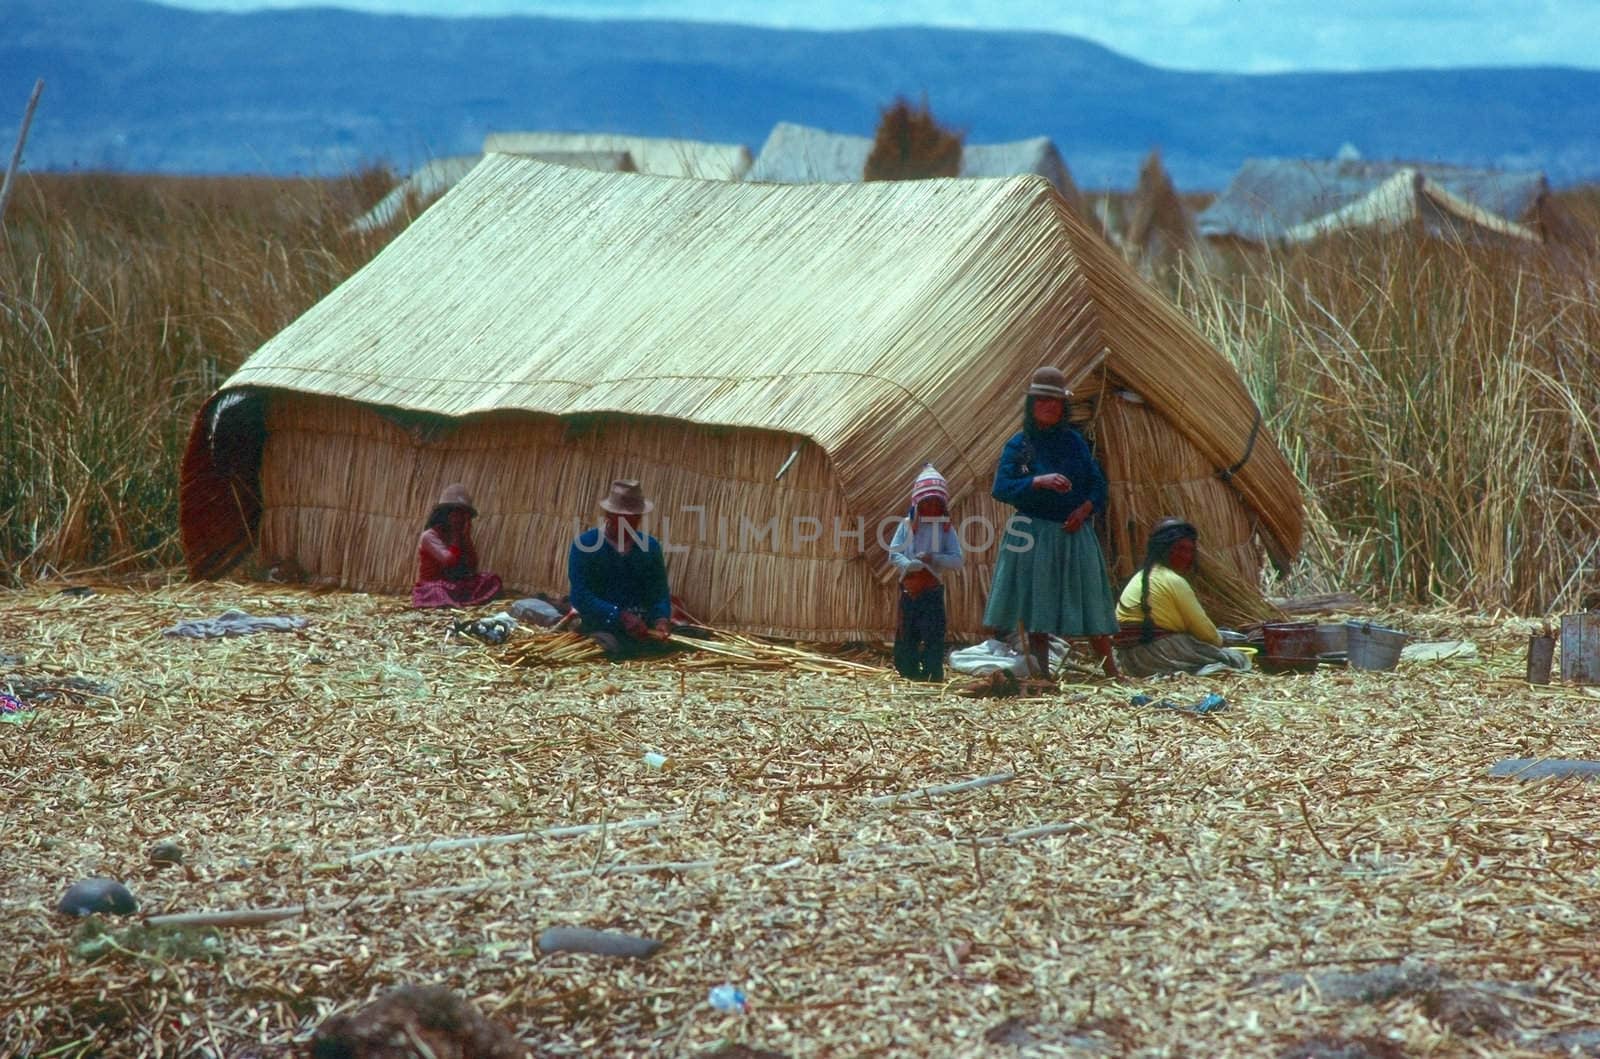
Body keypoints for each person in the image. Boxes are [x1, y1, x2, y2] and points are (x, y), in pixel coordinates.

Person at [983, 366, 1119, 678]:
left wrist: (1085, 509)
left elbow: (1098, 485)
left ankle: (1110, 670)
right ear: (1032, 404)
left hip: (1074, 531)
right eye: (1043, 400)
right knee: (1037, 604)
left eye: (1056, 402)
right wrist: (1037, 481)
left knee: (1091, 598)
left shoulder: (1074, 443)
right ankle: (1042, 673)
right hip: (1034, 532)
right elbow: (1001, 488)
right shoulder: (1020, 446)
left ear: (1063, 406)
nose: (1049, 406)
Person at [1113, 516, 1252, 677]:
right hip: (1156, 653)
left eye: (1189, 550)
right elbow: (1207, 634)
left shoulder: (1141, 576)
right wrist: (1221, 642)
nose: (1186, 556)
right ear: (1162, 549)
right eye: (1179, 549)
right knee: (1237, 659)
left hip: (1127, 660)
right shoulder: (1174, 581)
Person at [567, 479, 673, 656]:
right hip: (603, 625)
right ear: (609, 515)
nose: (630, 525)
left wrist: (661, 619)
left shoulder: (650, 546)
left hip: (644, 628)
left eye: (635, 519)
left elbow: (659, 591)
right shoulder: (586, 545)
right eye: (624, 519)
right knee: (610, 648)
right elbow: (580, 595)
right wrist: (619, 615)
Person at [887, 464, 964, 681]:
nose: (931, 507)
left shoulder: (946, 529)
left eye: (936, 502)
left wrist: (934, 558)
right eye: (926, 502)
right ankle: (908, 673)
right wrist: (910, 565)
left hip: (932, 591)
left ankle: (932, 676)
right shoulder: (906, 525)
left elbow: (957, 560)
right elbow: (894, 554)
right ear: (917, 502)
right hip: (910, 590)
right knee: (907, 634)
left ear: (943, 504)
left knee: (933, 634)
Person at [411, 484, 503, 608]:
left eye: (464, 516)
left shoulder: (461, 536)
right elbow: (449, 560)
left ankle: (459, 601)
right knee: (438, 591)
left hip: (456, 585)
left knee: (492, 579)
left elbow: (472, 566)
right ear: (445, 514)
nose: (460, 519)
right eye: (457, 514)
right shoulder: (429, 536)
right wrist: (455, 536)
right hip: (435, 585)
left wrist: (466, 537)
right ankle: (451, 602)